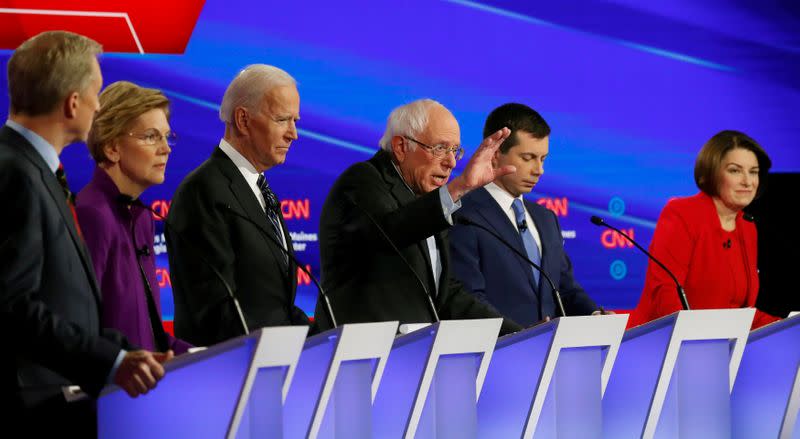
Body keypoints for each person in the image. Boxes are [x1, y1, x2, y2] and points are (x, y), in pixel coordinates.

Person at [0, 31, 172, 436]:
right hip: (35, 407)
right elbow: (12, 306)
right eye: (95, 90)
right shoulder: (15, 173)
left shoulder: (37, 171)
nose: (100, 103)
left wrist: (124, 351)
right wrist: (110, 361)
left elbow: (62, 302)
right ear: (72, 103)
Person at [314, 98, 523, 335]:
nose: (451, 162)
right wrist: (459, 187)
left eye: (455, 150)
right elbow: (392, 231)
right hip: (362, 353)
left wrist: (517, 334)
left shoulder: (428, 201)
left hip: (412, 354)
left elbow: (445, 295)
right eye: (440, 148)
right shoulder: (362, 181)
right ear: (402, 147)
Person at [166, 64, 310, 346]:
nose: (293, 134)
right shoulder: (204, 191)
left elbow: (273, 303)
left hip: (269, 365)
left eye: (295, 121)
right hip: (230, 373)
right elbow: (216, 310)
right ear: (243, 120)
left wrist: (322, 339)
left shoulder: (258, 187)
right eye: (282, 120)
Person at [449, 103, 604, 326]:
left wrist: (595, 317)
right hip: (498, 352)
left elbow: (564, 289)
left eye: (542, 159)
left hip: (548, 354)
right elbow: (469, 297)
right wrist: (522, 336)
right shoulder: (464, 213)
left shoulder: (546, 218)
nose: (538, 170)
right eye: (528, 157)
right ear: (495, 154)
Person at [76, 81, 192, 355]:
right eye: (151, 136)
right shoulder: (91, 214)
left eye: (167, 136)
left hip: (144, 386)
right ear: (112, 147)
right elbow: (81, 330)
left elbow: (149, 336)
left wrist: (211, 357)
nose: (166, 148)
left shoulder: (141, 218)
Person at [628, 130, 781, 329]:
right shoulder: (682, 214)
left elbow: (740, 314)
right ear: (711, 173)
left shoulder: (747, 226)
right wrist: (694, 343)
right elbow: (665, 294)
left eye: (753, 172)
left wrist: (785, 326)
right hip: (665, 344)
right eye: (735, 170)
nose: (747, 181)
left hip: (720, 347)